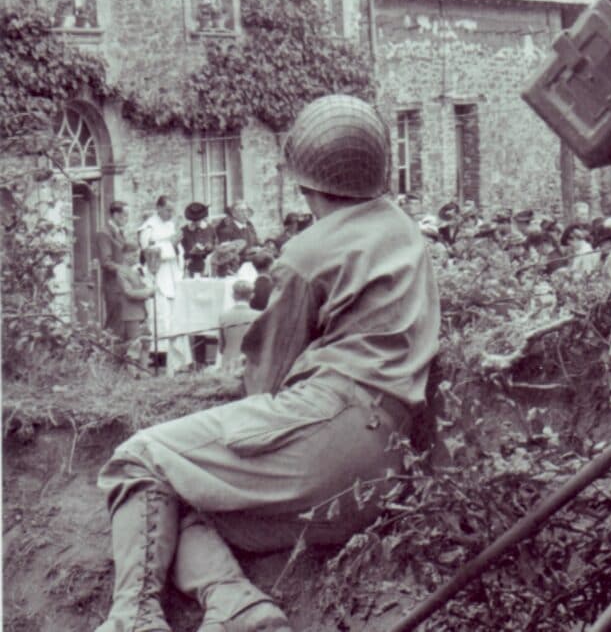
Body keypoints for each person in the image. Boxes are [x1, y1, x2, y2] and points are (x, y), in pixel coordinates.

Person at [91, 94, 441, 632]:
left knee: (138, 459)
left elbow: (264, 381)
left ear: (305, 182)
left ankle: (132, 619)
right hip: (384, 468)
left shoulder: (307, 253)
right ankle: (236, 607)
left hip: (326, 427)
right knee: (188, 496)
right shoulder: (405, 231)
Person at [137, 196, 181, 362]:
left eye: (172, 210)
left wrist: (176, 246)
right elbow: (148, 250)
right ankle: (158, 354)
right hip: (157, 274)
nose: (171, 214)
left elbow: (177, 249)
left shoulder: (169, 225)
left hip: (171, 274)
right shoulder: (148, 227)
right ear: (159, 208)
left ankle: (172, 353)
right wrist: (171, 245)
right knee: (159, 313)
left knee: (171, 314)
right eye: (168, 210)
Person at [112, 240, 156, 364]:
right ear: (125, 255)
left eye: (137, 255)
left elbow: (143, 286)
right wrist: (147, 292)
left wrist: (150, 288)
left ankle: (144, 372)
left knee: (146, 342)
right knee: (134, 344)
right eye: (134, 255)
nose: (136, 258)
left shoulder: (136, 270)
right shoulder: (121, 271)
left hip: (142, 311)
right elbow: (128, 292)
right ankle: (133, 372)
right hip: (130, 312)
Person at [94, 200, 133, 338]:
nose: (127, 219)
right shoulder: (104, 233)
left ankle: (118, 356)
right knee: (114, 324)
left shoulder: (118, 232)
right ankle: (105, 355)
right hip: (113, 286)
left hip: (122, 284)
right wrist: (124, 269)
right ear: (116, 215)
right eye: (125, 215)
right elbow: (106, 262)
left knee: (122, 323)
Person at [217, 279, 261, 373]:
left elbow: (221, 347)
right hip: (250, 365)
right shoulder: (259, 316)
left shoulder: (223, 316)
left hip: (228, 365)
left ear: (233, 296)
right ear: (252, 296)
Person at [212, 199, 258, 277]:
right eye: (242, 211)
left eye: (246, 210)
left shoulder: (250, 227)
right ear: (234, 214)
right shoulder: (226, 231)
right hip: (236, 269)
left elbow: (256, 242)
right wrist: (247, 253)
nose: (245, 214)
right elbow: (225, 254)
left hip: (253, 266)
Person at [181, 202, 216, 277]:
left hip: (208, 266)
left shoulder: (210, 229)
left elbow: (216, 245)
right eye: (194, 220)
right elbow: (181, 251)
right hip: (192, 266)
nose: (197, 222)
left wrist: (211, 247)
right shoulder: (184, 231)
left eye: (199, 220)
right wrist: (191, 252)